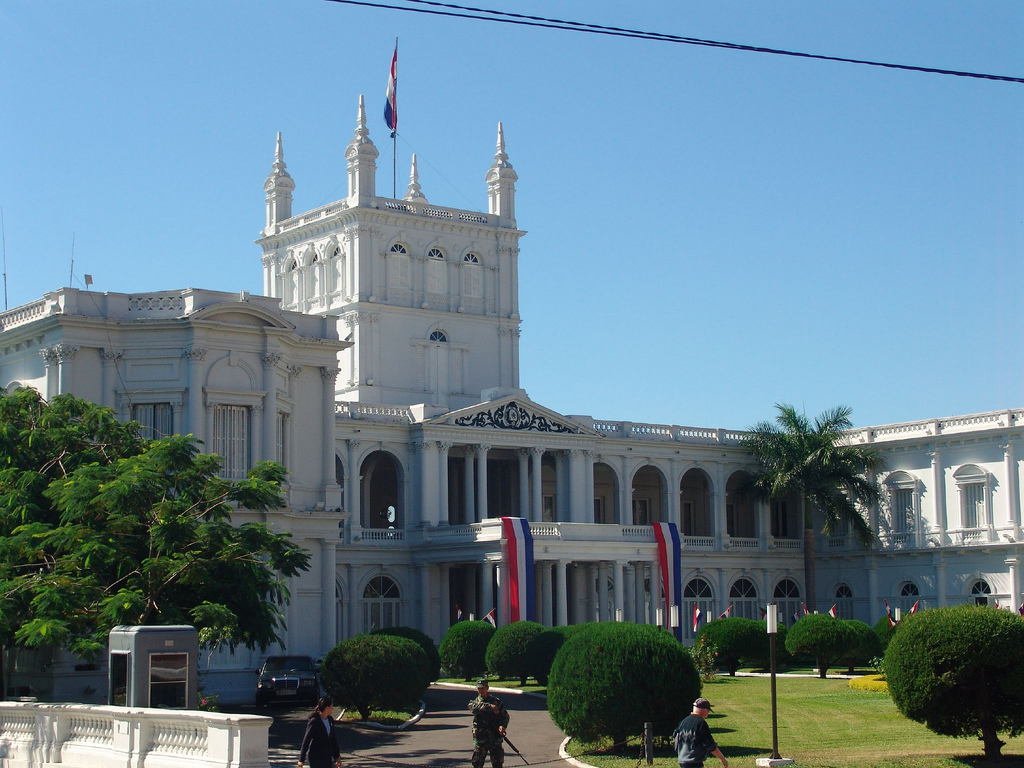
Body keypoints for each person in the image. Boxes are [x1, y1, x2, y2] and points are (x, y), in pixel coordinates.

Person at [672, 698, 727, 768]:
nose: (708, 713)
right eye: (708, 711)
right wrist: (723, 759)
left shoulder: (683, 722)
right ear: (703, 710)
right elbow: (710, 745)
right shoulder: (701, 723)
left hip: (682, 761)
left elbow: (676, 741)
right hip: (694, 762)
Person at [468, 679, 509, 768]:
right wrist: (489, 706)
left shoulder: (496, 701)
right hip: (481, 738)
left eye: (483, 688)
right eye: (479, 688)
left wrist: (502, 726)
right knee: (477, 763)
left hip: (495, 737)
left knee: (498, 762)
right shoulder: (475, 702)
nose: (481, 690)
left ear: (487, 688)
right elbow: (474, 708)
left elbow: (505, 716)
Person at [298, 696, 342, 768]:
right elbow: (306, 740)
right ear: (327, 707)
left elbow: (333, 740)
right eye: (331, 706)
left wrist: (337, 757)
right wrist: (301, 759)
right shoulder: (315, 721)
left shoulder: (330, 720)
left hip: (327, 757)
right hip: (315, 758)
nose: (332, 708)